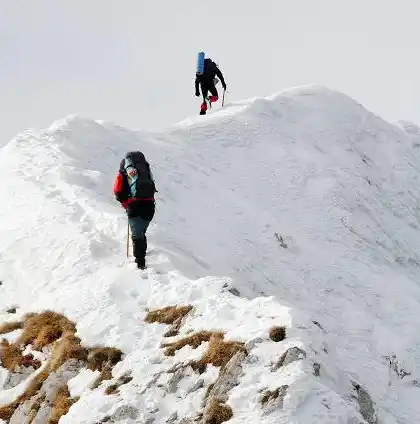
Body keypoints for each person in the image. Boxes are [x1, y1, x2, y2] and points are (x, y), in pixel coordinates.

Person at [113, 151, 157, 269]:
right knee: (141, 231)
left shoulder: (123, 172)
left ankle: (140, 263)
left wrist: (126, 204)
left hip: (134, 205)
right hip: (150, 206)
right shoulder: (146, 170)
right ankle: (142, 253)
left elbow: (117, 192)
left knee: (137, 235)